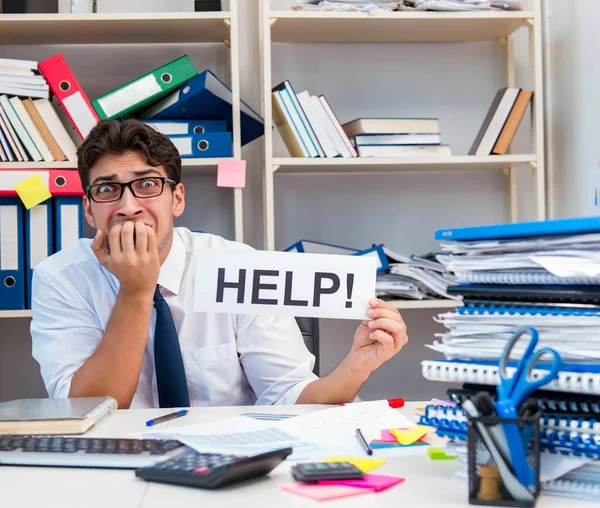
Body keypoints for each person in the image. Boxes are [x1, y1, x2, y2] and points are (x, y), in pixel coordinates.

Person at [30, 119, 408, 409]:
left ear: (177, 199)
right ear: (89, 210)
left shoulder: (238, 266)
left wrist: (357, 365)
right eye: (107, 189)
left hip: (232, 463)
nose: (128, 207)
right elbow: (84, 409)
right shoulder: (59, 279)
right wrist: (136, 290)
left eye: (146, 185)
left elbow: (290, 397)